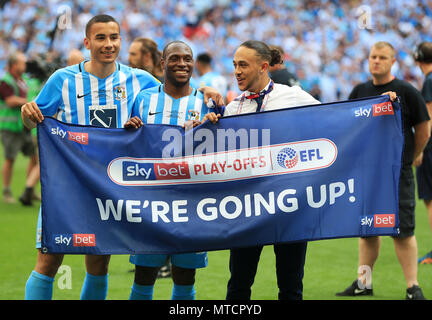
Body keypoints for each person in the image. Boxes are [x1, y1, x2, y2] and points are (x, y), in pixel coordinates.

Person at [20, 14, 161, 300]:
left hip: (108, 186)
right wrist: (27, 113)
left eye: (114, 37)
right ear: (87, 42)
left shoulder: (139, 80)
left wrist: (206, 91)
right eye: (101, 38)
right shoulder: (63, 80)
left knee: (98, 263)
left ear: (120, 40)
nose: (108, 44)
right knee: (49, 261)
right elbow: (34, 119)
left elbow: (174, 95)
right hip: (66, 185)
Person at [204, 40, 320, 300]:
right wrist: (210, 124)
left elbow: (335, 117)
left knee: (290, 287)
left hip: (289, 204)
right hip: (249, 207)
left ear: (263, 66)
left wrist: (377, 107)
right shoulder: (234, 108)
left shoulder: (294, 96)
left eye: (243, 65)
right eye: (234, 65)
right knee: (238, 286)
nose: (236, 71)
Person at [124, 40, 224, 300]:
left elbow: (220, 150)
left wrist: (208, 128)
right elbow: (130, 144)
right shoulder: (144, 99)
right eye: (175, 58)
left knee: (185, 275)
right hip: (151, 201)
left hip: (190, 201)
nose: (182, 63)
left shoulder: (206, 102)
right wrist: (130, 128)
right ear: (163, 63)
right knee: (144, 274)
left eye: (187, 59)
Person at [335, 41, 430, 300]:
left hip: (396, 174)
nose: (376, 61)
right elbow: (347, 127)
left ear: (393, 61)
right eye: (373, 56)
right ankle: (363, 283)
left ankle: (413, 287)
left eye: (382, 57)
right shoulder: (359, 91)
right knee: (367, 231)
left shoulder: (406, 91)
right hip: (366, 174)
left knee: (402, 231)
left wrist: (413, 155)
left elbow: (424, 129)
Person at [127, 38, 170, 279]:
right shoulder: (132, 81)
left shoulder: (158, 82)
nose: (128, 58)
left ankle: (164, 261)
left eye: (133, 54)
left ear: (145, 57)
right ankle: (147, 258)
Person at [0, 51, 39, 205]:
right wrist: (29, 102)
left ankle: (29, 189)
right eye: (23, 63)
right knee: (10, 158)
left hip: (23, 127)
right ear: (14, 65)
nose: (25, 66)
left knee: (35, 157)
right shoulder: (5, 81)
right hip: (10, 127)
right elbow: (10, 101)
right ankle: (7, 190)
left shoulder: (23, 81)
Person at [413, 41, 432, 265]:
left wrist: (421, 148)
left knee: (430, 200)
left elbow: (428, 117)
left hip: (431, 148)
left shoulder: (429, 81)